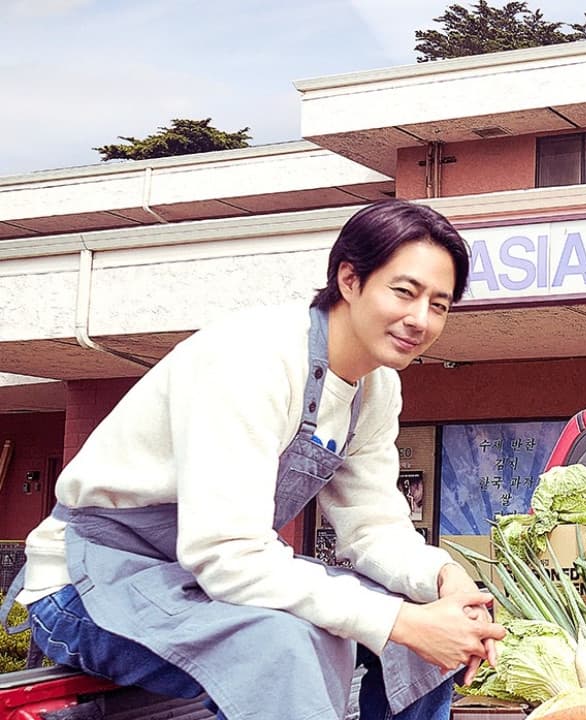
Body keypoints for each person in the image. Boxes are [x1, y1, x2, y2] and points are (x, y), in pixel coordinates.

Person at [1, 199, 507, 720]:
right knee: (281, 646)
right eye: (404, 291)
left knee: (427, 620)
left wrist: (443, 578)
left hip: (205, 583)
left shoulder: (376, 388)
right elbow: (227, 554)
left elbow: (373, 528)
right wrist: (395, 622)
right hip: (89, 585)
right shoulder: (251, 357)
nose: (419, 319)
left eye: (439, 305)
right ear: (350, 279)